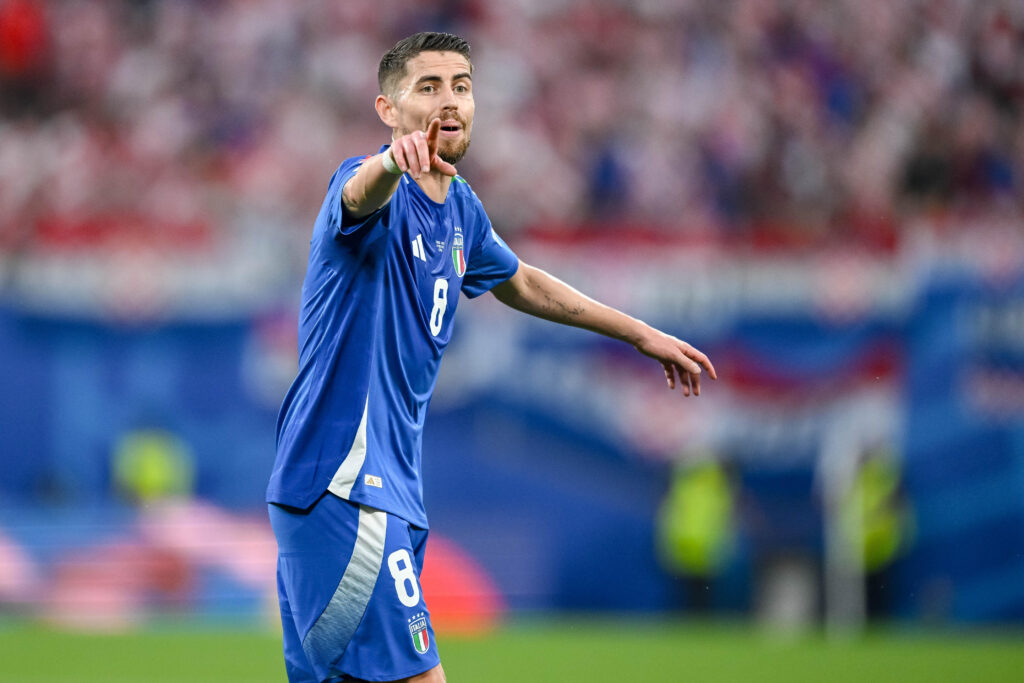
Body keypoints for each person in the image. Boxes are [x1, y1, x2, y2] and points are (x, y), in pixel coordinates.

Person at [267, 31, 716, 683]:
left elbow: (524, 282)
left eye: (461, 85)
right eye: (428, 87)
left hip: (379, 490)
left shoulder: (461, 211)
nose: (449, 100)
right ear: (388, 109)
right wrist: (393, 163)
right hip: (346, 485)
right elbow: (357, 195)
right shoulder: (370, 188)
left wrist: (637, 331)